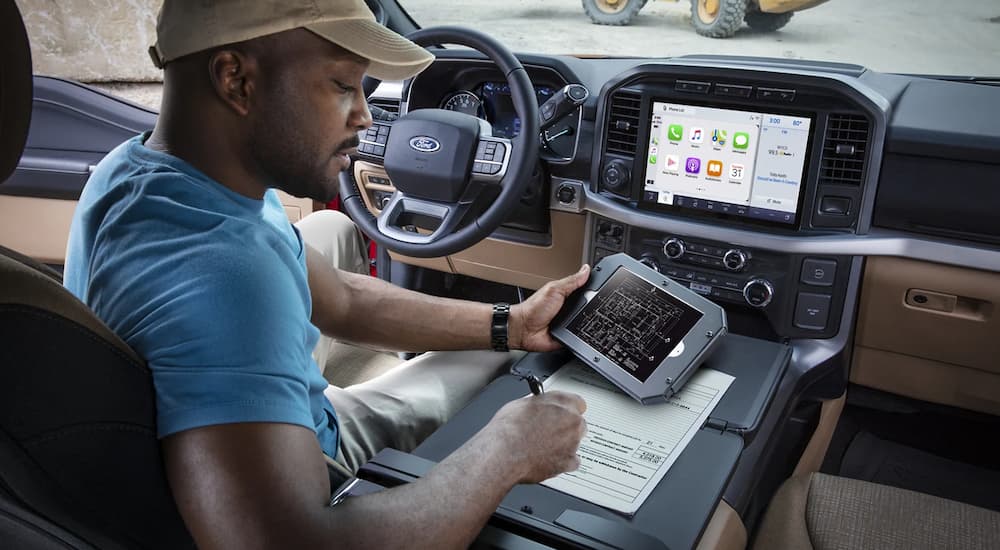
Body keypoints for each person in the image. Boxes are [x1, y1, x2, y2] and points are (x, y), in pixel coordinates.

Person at [63, 0, 590, 547]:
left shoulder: (141, 171)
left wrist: (515, 322)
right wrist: (504, 454)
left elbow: (340, 298)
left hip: (277, 425)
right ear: (235, 79)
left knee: (501, 348)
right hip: (310, 464)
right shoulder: (226, 277)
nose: (365, 115)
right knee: (504, 385)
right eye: (343, 85)